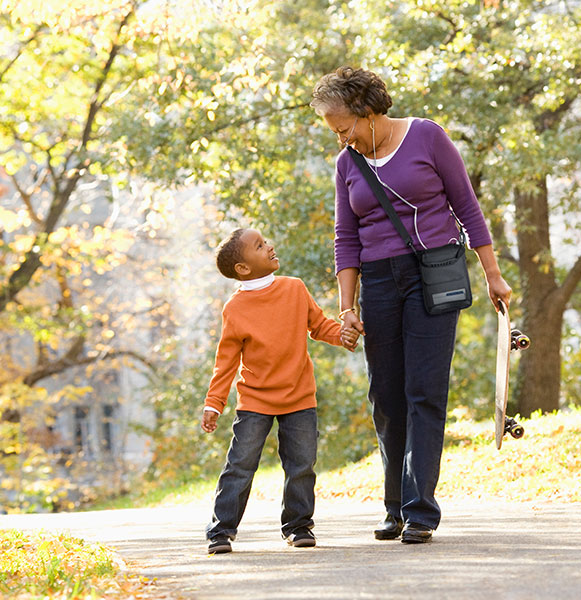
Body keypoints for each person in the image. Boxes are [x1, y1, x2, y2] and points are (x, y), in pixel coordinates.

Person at [310, 66, 512, 544]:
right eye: (334, 132)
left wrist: (493, 274)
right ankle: (393, 507)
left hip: (433, 272)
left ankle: (421, 509)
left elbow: (467, 205)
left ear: (369, 110)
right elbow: (346, 239)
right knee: (386, 395)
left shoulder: (426, 137)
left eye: (345, 127)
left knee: (424, 390)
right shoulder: (347, 164)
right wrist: (347, 307)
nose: (342, 138)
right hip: (379, 282)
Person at [202, 228, 359, 554]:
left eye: (266, 241)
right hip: (255, 401)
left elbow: (319, 325)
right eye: (260, 246)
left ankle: (298, 526)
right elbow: (226, 361)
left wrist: (341, 335)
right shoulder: (235, 308)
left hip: (299, 396)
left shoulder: (294, 289)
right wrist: (214, 404)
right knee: (240, 466)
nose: (270, 246)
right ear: (243, 268)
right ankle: (221, 530)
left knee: (302, 464)